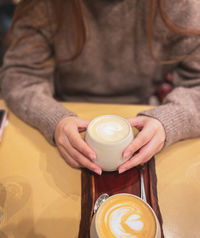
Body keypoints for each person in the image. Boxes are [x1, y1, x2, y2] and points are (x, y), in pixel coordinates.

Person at [0, 0, 200, 175]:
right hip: (64, 116)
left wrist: (168, 122)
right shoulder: (45, 5)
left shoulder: (179, 6)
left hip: (142, 115)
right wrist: (55, 120)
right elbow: (20, 76)